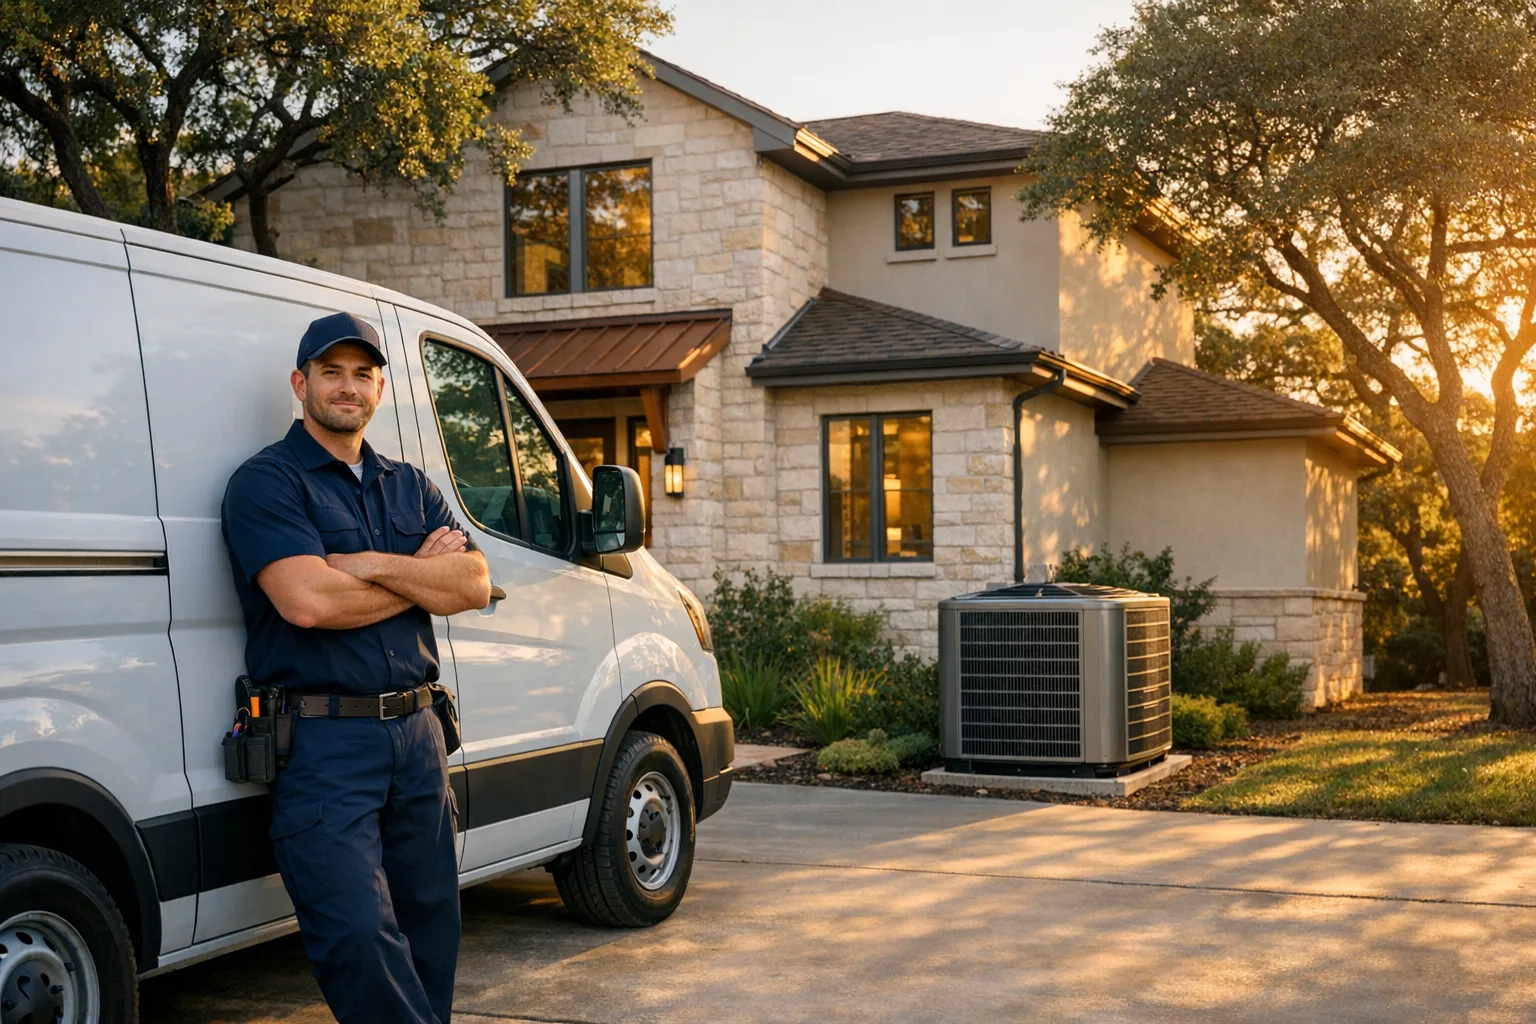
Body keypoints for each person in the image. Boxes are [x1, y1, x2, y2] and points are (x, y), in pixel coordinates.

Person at [220, 312, 490, 1024]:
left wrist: (366, 567)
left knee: (431, 922)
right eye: (331, 372)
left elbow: (471, 585)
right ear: (299, 383)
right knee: (359, 933)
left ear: (380, 388)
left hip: (420, 735)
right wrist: (414, 578)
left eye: (362, 373)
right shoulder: (266, 484)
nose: (348, 387)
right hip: (324, 743)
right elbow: (306, 602)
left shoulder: (411, 486)